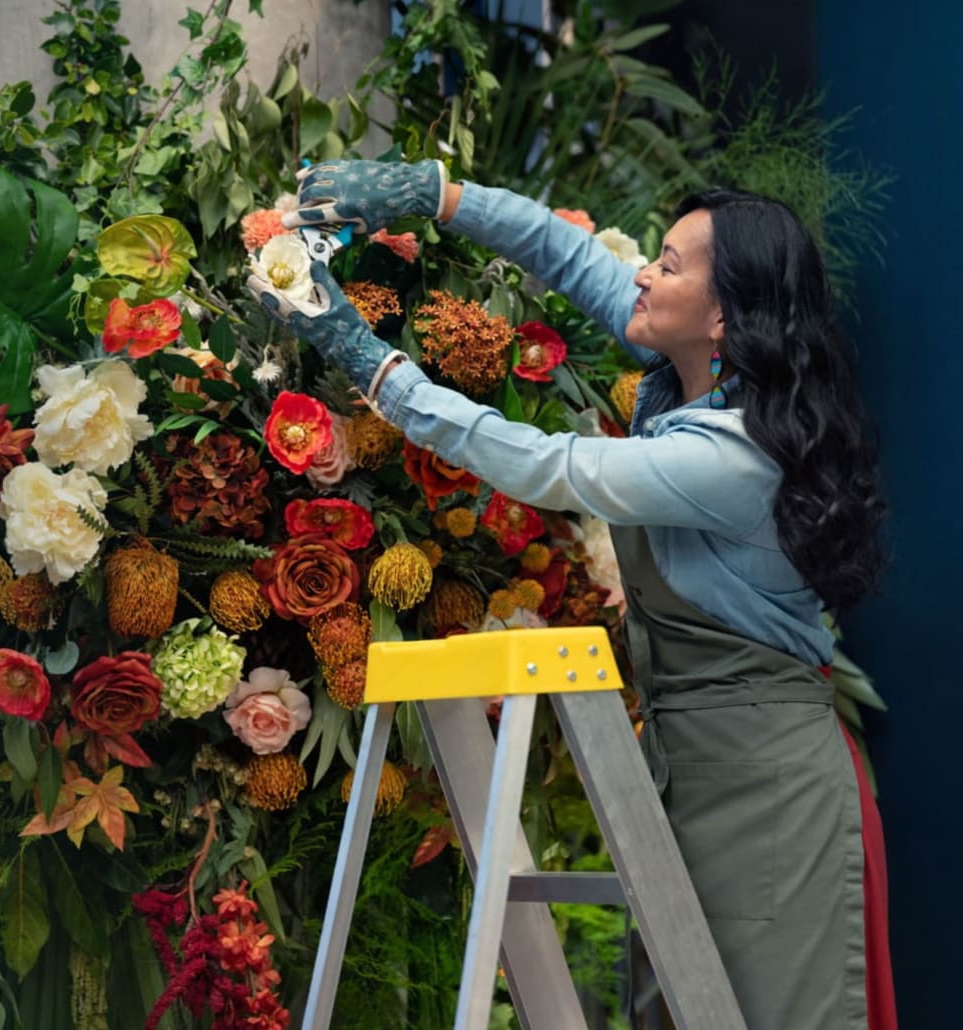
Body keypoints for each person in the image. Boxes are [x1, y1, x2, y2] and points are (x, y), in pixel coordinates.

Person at [248, 160, 895, 1029]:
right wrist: (433, 194)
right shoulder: (692, 374)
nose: (643, 274)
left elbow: (547, 466)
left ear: (722, 318)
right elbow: (567, 253)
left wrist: (370, 361)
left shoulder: (733, 455)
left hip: (772, 792)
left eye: (668, 265)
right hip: (690, 764)